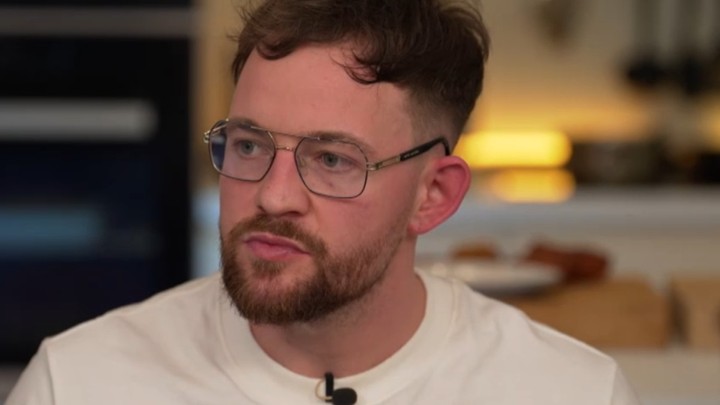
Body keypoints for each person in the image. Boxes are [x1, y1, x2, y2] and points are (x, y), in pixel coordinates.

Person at [7, 0, 640, 404]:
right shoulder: (78, 383)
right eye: (249, 145)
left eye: (333, 159)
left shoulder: (570, 392)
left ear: (433, 195)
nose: (273, 196)